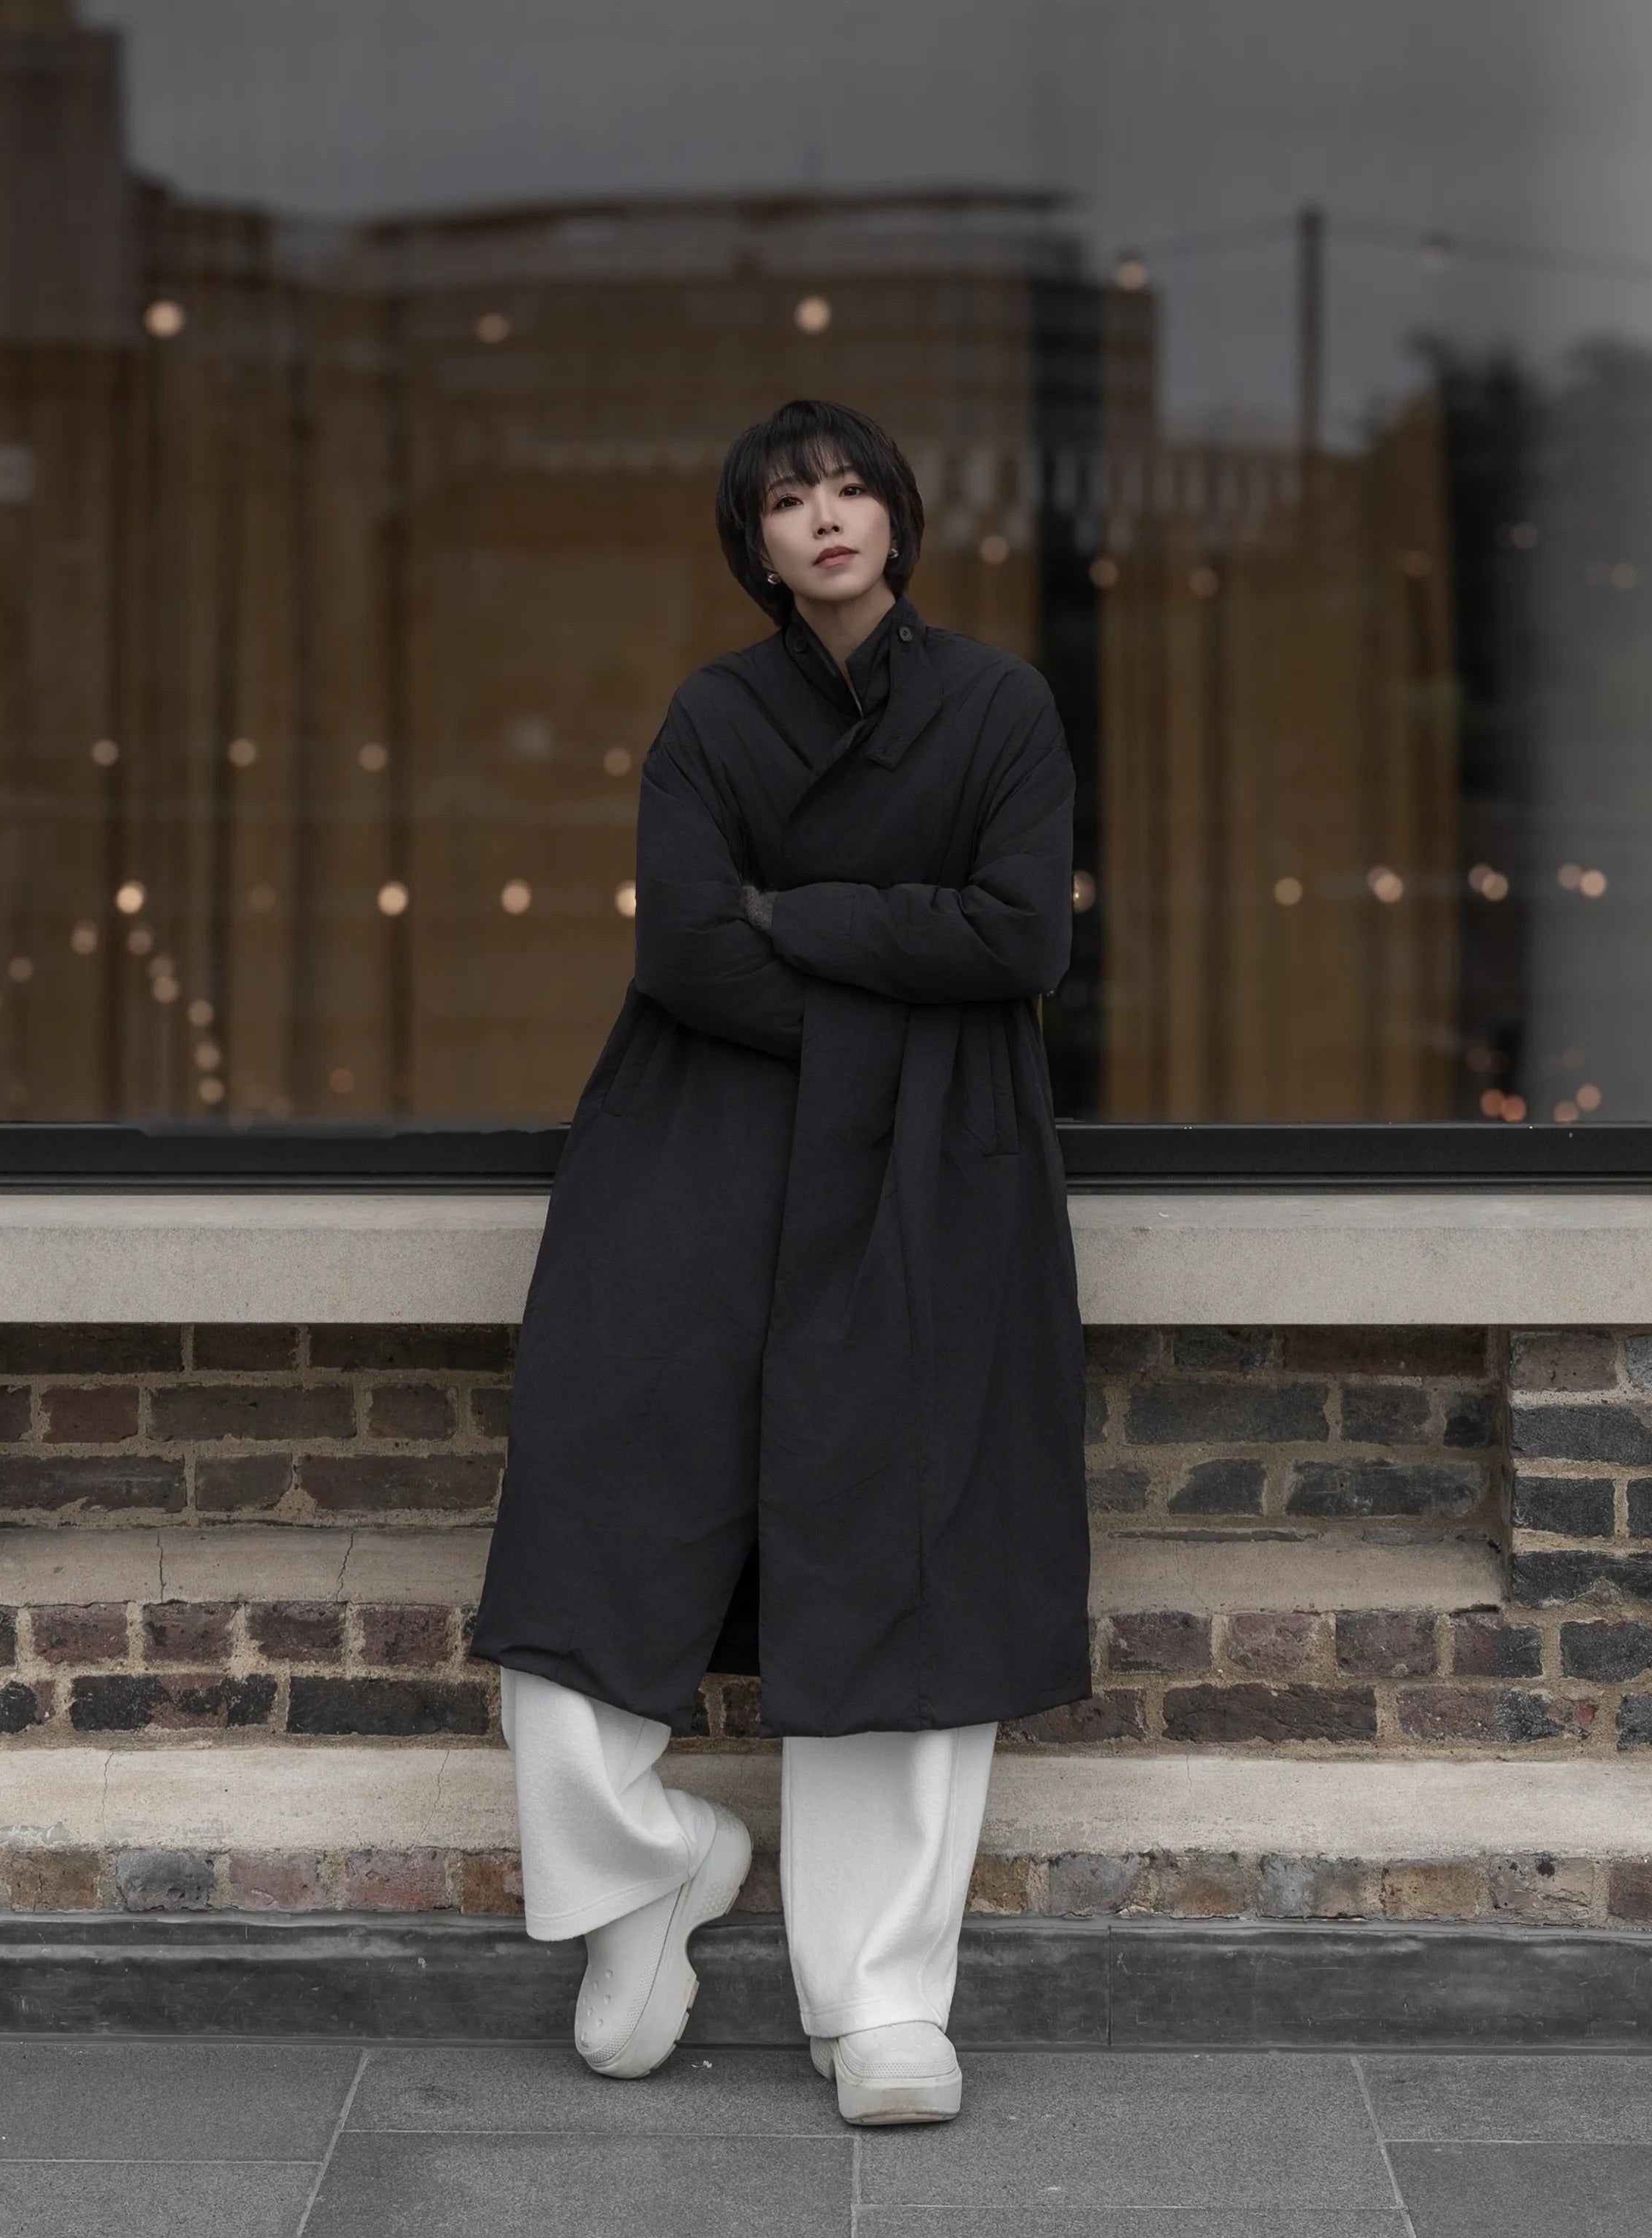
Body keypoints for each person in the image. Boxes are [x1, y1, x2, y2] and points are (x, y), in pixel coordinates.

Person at [468, 400, 1092, 2127]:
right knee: (592, 1505)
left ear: (897, 517)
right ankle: (637, 1869)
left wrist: (790, 912)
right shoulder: (713, 716)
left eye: (850, 489)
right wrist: (894, 974)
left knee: (903, 1537)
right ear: (752, 546)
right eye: (788, 500)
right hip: (694, 1149)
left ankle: (881, 1995)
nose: (824, 517)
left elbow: (1020, 934)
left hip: (926, 1172)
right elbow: (684, 950)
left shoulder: (999, 707)